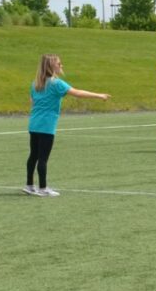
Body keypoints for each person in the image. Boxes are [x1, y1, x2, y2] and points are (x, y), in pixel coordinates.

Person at [25, 54, 108, 197]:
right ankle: (43, 188)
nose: (61, 66)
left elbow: (32, 102)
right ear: (52, 67)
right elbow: (77, 93)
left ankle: (29, 185)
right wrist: (99, 95)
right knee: (43, 158)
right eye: (59, 64)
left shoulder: (35, 83)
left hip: (34, 124)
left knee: (33, 155)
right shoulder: (56, 83)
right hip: (46, 125)